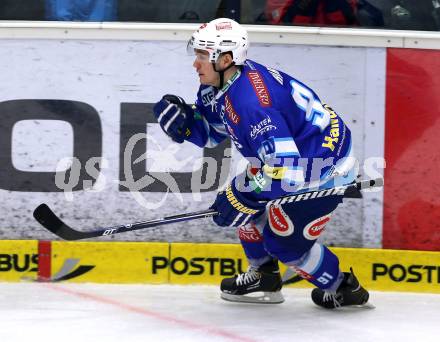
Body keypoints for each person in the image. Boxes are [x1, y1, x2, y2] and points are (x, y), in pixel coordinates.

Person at [153, 18, 369, 309]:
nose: (196, 64)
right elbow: (214, 132)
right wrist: (188, 126)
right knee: (242, 201)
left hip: (322, 167)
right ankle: (264, 277)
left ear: (225, 58)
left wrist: (245, 195)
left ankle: (343, 287)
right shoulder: (220, 84)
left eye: (203, 56)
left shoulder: (252, 104)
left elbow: (288, 174)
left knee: (283, 244)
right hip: (297, 155)